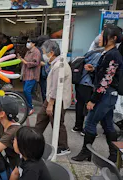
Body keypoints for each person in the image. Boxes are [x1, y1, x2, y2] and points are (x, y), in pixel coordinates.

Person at [72, 24, 123, 163]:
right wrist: (93, 70)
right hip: (106, 95)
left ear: (112, 38)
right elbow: (106, 76)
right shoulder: (107, 53)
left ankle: (86, 152)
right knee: (107, 125)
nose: (99, 38)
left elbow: (107, 80)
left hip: (105, 95)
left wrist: (93, 100)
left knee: (90, 123)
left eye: (102, 35)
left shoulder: (113, 55)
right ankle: (114, 155)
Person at [34, 40, 72, 156]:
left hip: (56, 100)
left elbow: (56, 87)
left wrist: (50, 103)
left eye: (44, 52)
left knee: (57, 122)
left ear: (51, 52)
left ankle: (63, 146)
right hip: (52, 98)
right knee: (41, 117)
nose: (43, 55)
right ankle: (34, 139)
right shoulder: (57, 63)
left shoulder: (59, 66)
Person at [72, 35, 103, 134]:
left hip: (80, 82)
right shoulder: (98, 55)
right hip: (88, 84)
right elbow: (97, 70)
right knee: (90, 105)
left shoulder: (89, 53)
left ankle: (78, 126)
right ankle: (87, 129)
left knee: (79, 104)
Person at [18, 38, 41, 116]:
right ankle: (27, 106)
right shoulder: (28, 51)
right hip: (26, 74)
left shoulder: (36, 52)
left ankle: (30, 107)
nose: (27, 43)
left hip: (32, 75)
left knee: (26, 91)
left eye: (29, 42)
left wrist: (24, 61)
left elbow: (35, 63)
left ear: (33, 43)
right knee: (25, 91)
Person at [36, 35, 50, 102]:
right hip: (44, 72)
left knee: (44, 89)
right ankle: (46, 103)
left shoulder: (38, 49)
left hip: (41, 72)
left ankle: (45, 103)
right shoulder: (42, 49)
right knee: (45, 89)